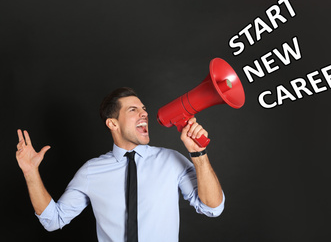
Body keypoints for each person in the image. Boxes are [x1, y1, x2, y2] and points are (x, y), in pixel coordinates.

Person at [15, 87, 225, 242]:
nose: (144, 113)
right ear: (112, 123)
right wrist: (30, 172)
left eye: (143, 109)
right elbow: (53, 220)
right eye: (133, 110)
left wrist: (199, 153)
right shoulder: (91, 171)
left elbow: (212, 208)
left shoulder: (171, 161)